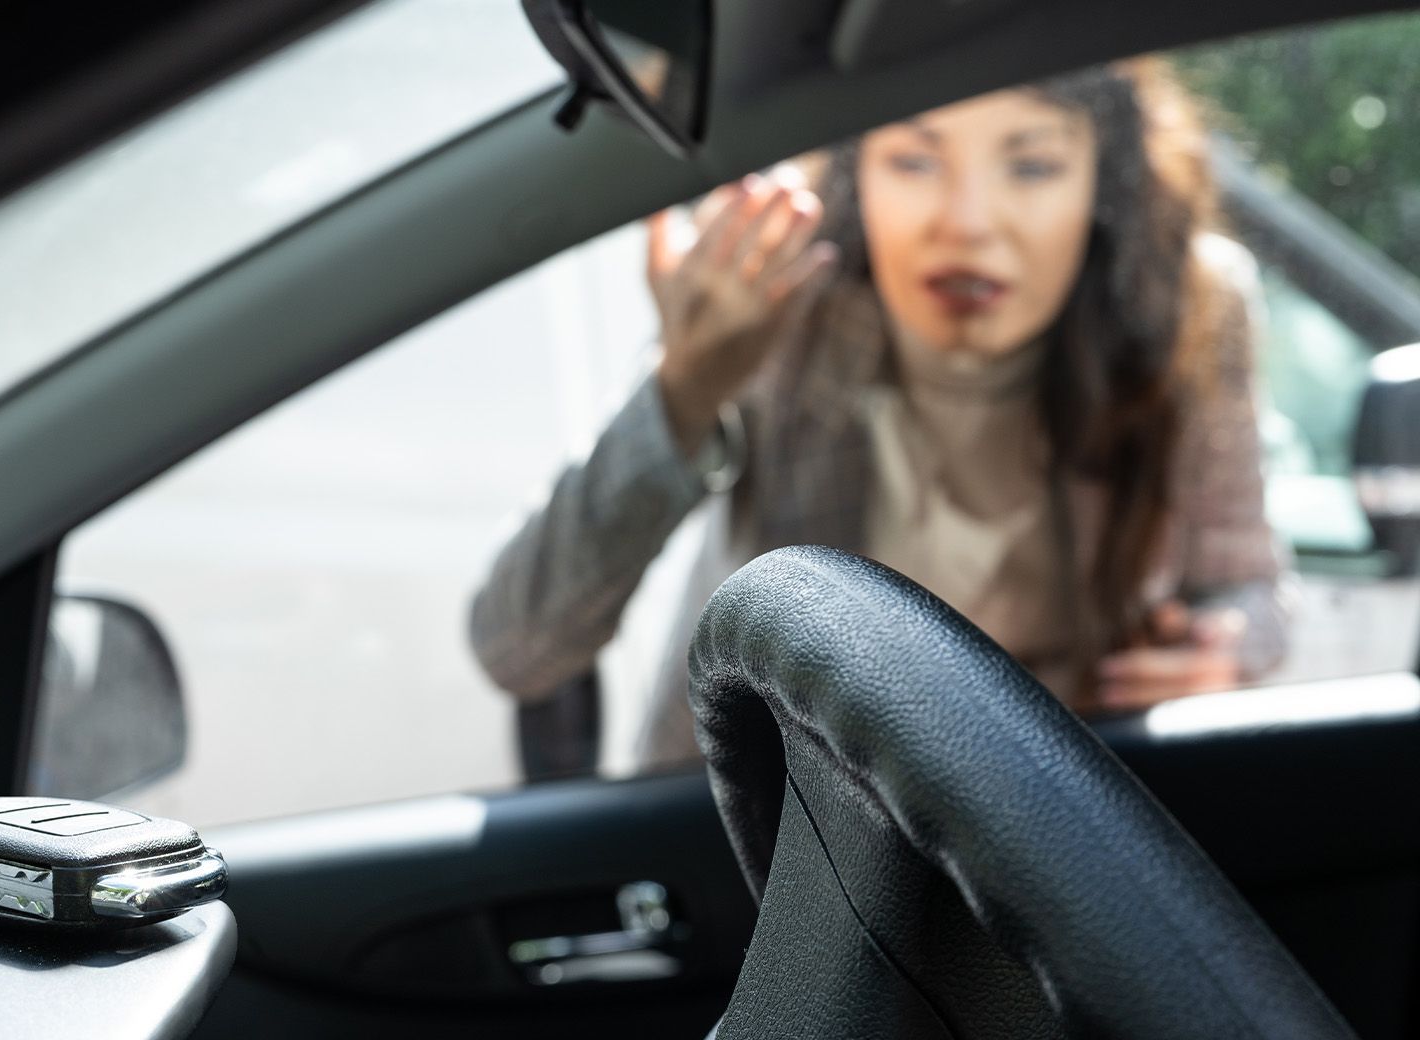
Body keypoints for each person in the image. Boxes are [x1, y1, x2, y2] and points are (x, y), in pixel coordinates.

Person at [470, 58, 1290, 767]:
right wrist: (687, 388)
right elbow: (522, 645)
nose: (967, 223)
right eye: (913, 160)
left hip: (1062, 856)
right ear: (856, 170)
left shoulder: (1188, 312)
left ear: (1103, 178)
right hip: (787, 847)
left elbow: (1247, 590)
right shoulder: (782, 302)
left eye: (1032, 166)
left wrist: (1222, 655)